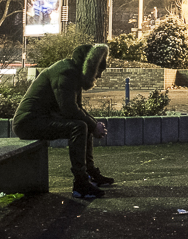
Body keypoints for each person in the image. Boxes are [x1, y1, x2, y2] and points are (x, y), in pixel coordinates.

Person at [13, 42, 115, 199]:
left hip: (40, 119)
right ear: (89, 67)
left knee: (83, 124)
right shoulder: (65, 72)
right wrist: (94, 126)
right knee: (79, 126)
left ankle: (89, 172)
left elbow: (78, 109)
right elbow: (68, 109)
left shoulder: (73, 73)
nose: (99, 76)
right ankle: (80, 184)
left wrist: (94, 124)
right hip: (28, 123)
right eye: (98, 71)